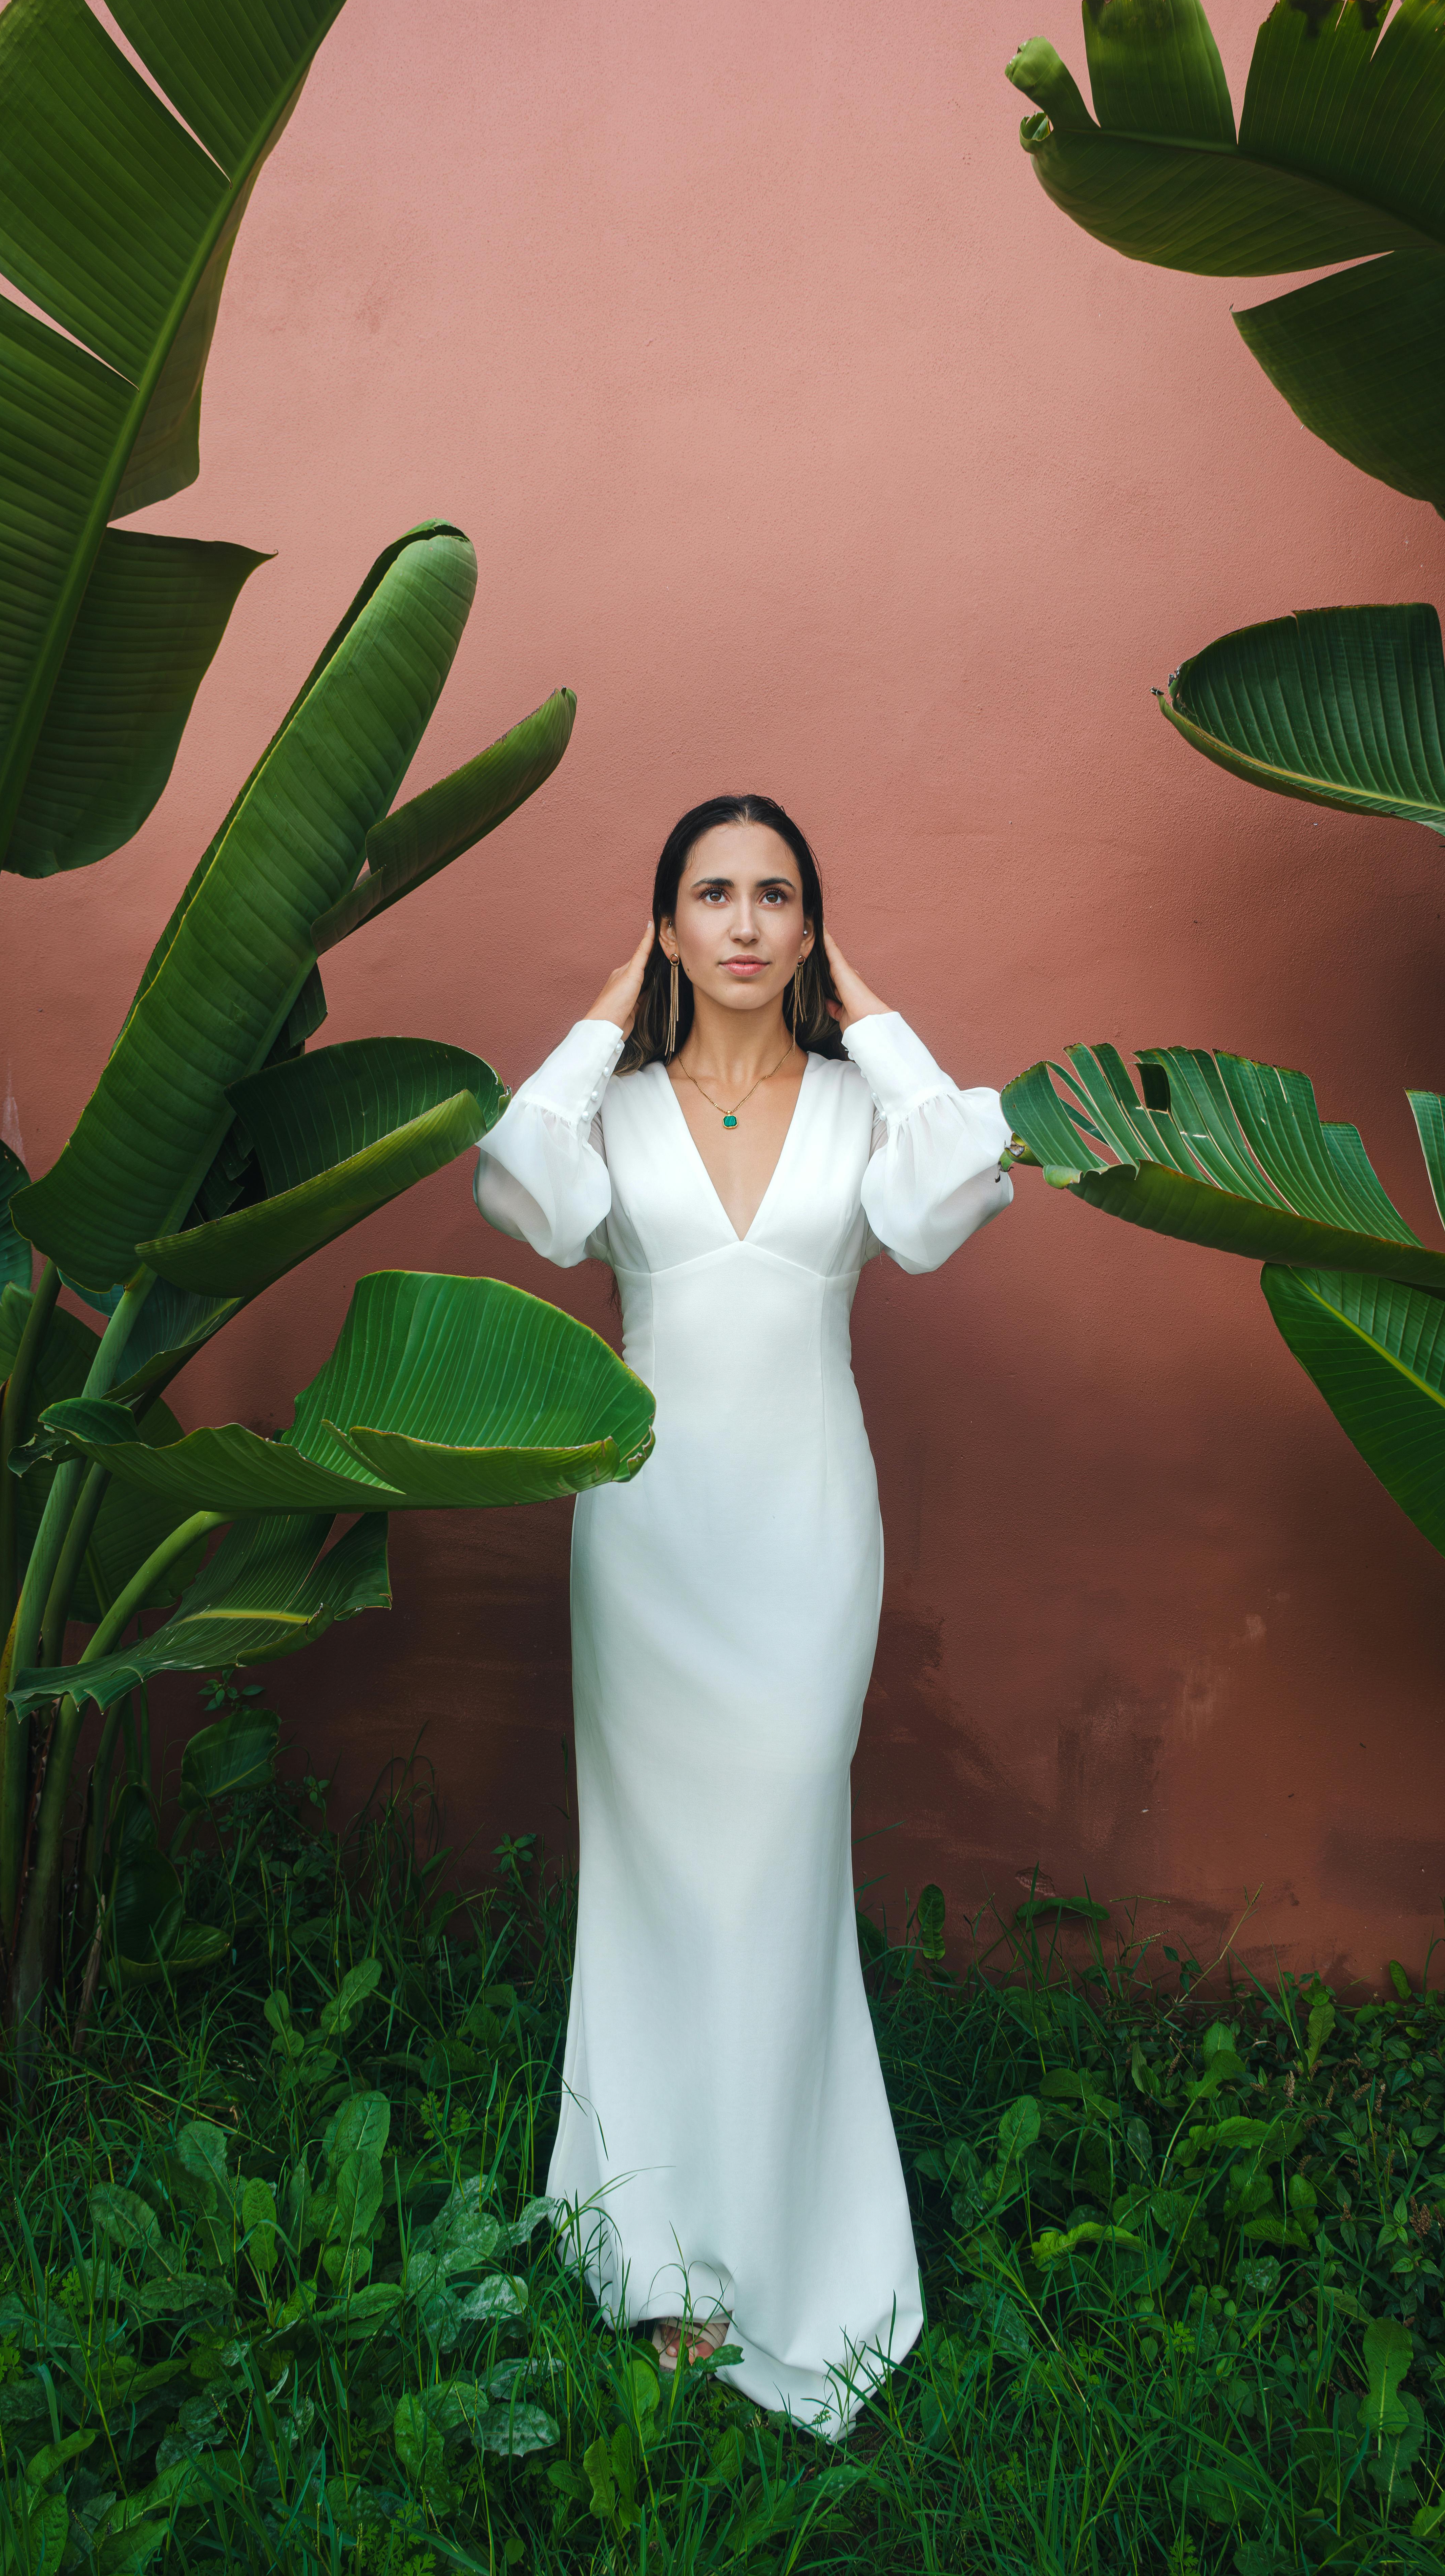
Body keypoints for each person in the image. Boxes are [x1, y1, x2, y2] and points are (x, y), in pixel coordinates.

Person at [472, 793, 1013, 2434]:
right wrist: (592, 1009)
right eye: (711, 895)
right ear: (666, 925)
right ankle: (658, 2268)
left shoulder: (860, 1106)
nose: (746, 924)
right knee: (656, 1891)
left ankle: (795, 2257)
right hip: (647, 1543)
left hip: (803, 1538)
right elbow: (518, 1179)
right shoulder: (614, 1110)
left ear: (810, 929)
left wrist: (879, 1010)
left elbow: (959, 1185)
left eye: (779, 897)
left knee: (779, 1874)